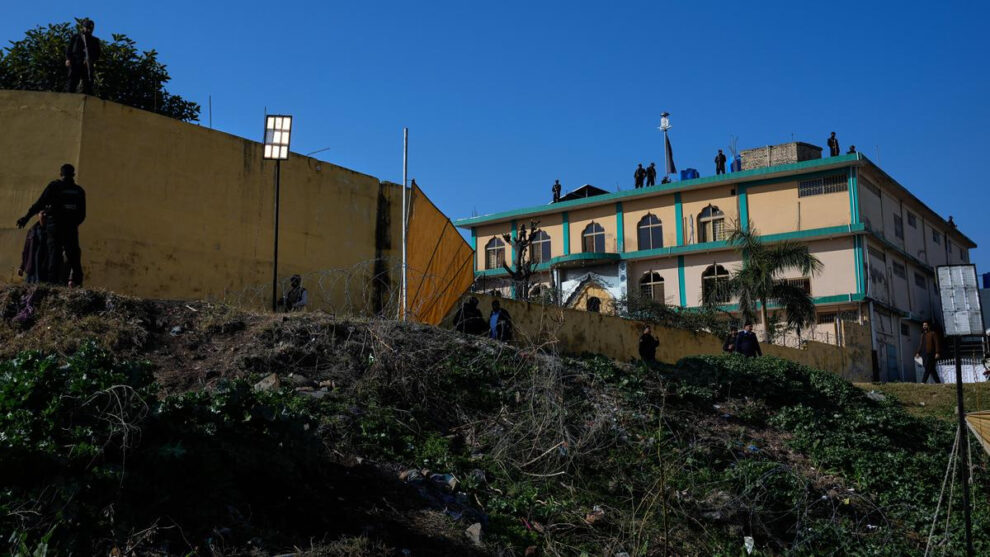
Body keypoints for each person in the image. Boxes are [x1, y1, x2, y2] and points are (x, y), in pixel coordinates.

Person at [17, 163, 87, 287]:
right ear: (73, 175)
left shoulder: (54, 186)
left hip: (55, 227)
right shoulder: (79, 191)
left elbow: (39, 203)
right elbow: (82, 214)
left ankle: (52, 284)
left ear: (61, 174)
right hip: (70, 228)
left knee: (54, 255)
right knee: (73, 256)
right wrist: (72, 224)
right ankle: (76, 282)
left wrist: (26, 218)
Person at [66, 19, 100, 95]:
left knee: (88, 83)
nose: (89, 30)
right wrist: (68, 59)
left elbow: (97, 53)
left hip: (87, 64)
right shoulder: (75, 37)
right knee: (72, 81)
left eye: (91, 28)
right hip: (75, 62)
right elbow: (69, 49)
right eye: (87, 28)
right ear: (83, 27)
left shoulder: (95, 40)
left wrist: (91, 60)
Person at [18, 211, 49, 284]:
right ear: (37, 215)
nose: (45, 215)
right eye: (42, 213)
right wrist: (22, 267)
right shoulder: (32, 230)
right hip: (32, 268)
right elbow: (26, 250)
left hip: (46, 267)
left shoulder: (52, 230)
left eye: (46, 213)